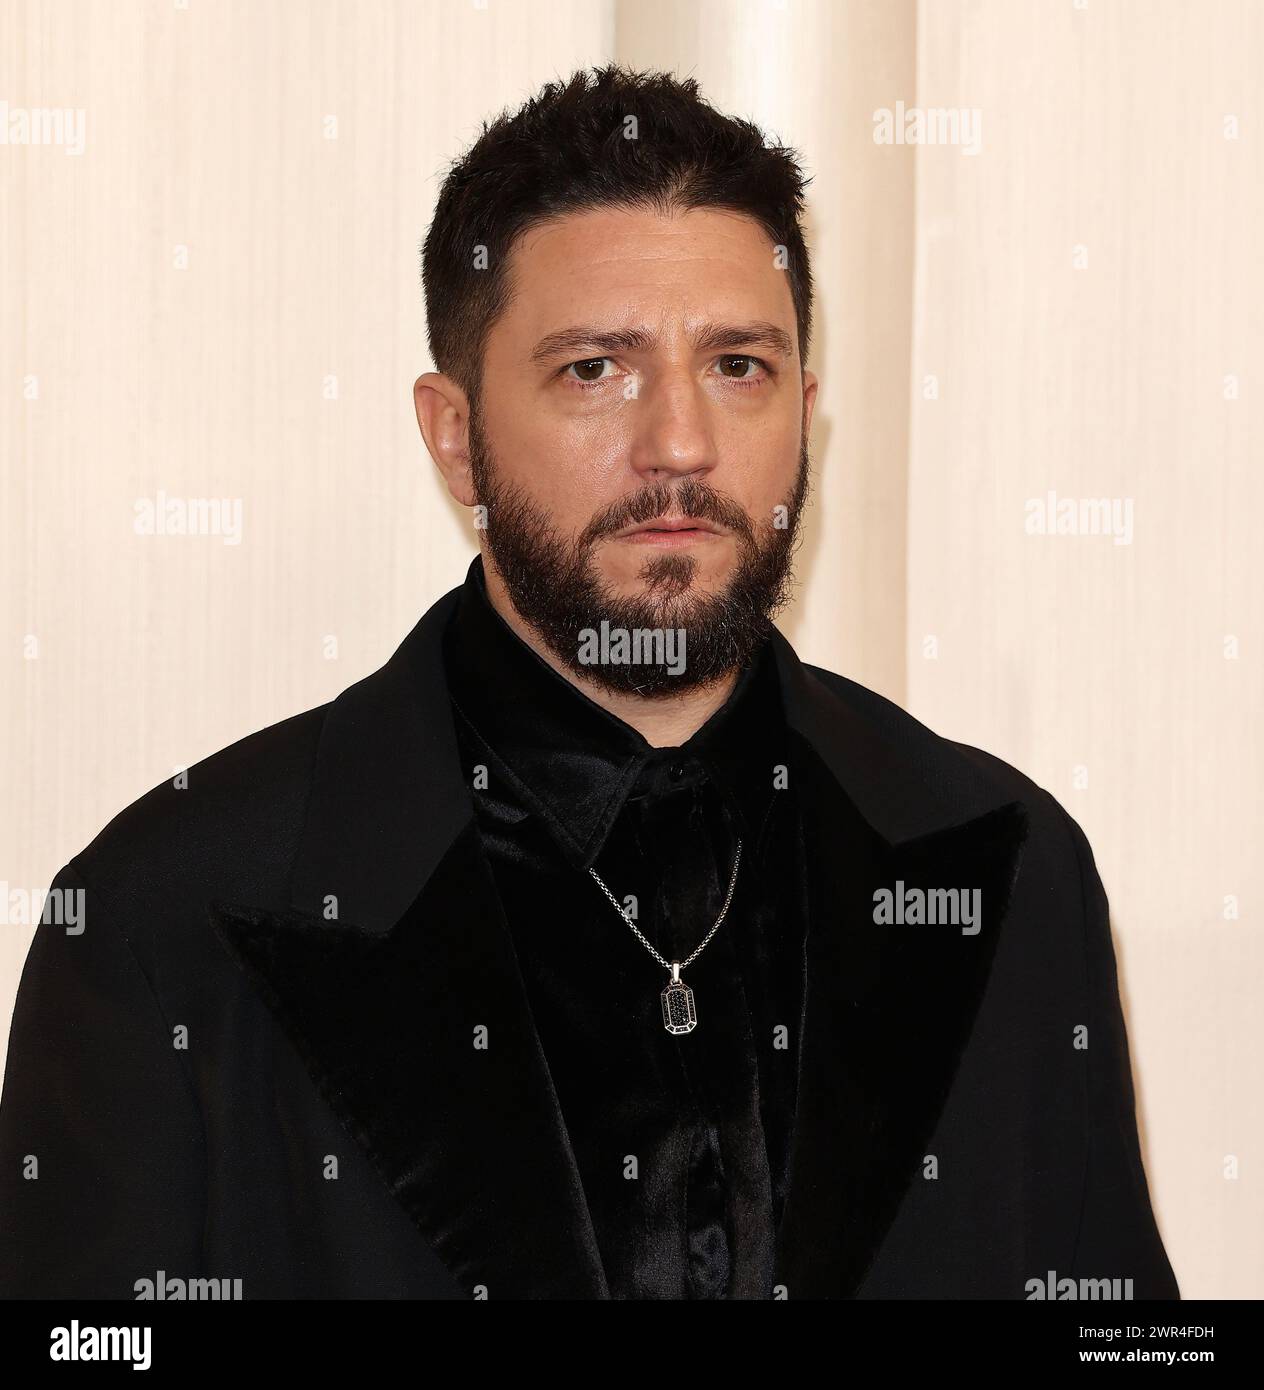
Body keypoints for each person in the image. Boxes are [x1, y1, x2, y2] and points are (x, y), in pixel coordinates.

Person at [0, 64, 1178, 1300]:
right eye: (592, 370)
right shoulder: (163, 917)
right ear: (454, 435)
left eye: (737, 365)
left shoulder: (1014, 869)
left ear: (805, 412)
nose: (680, 443)